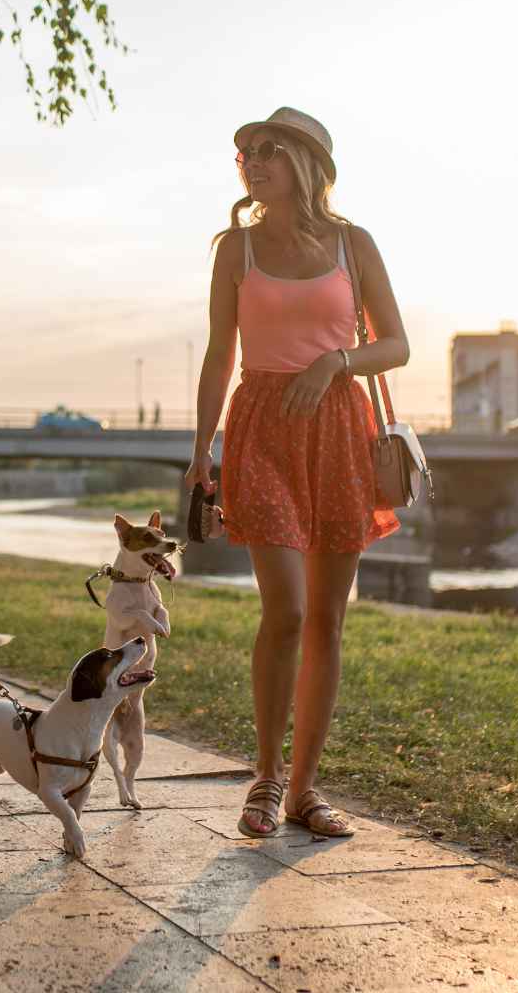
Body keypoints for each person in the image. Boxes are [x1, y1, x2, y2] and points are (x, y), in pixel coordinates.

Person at [183, 107, 409, 840]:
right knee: (283, 609)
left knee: (327, 620)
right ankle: (266, 777)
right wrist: (200, 451)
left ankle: (306, 791)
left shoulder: (355, 243)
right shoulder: (236, 250)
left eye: (268, 149)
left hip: (340, 425)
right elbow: (221, 353)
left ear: (307, 162)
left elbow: (397, 344)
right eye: (243, 150)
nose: (251, 160)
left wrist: (336, 359)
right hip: (261, 429)